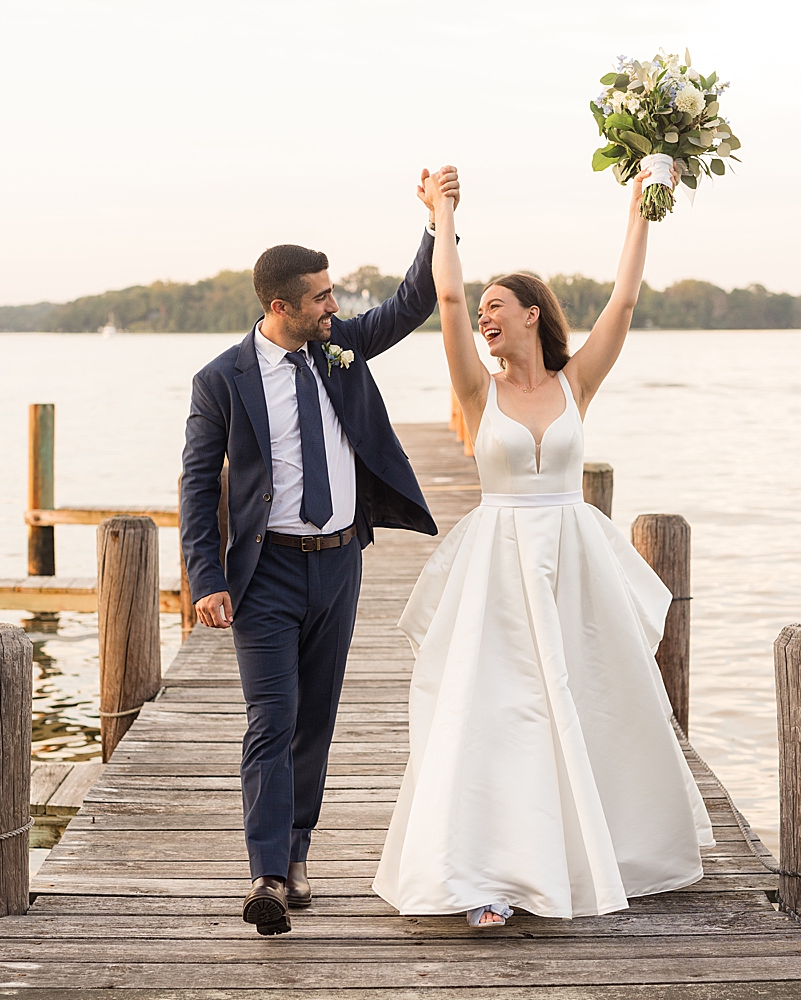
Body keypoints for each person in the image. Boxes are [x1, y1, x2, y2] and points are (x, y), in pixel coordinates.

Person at [372, 166, 715, 928]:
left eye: (501, 308)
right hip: (497, 564)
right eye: (483, 310)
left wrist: (642, 209)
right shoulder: (475, 390)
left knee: (585, 701)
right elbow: (450, 298)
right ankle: (484, 879)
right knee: (494, 711)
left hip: (570, 560)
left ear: (533, 315)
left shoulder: (576, 382)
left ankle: (597, 854)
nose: (485, 317)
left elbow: (623, 300)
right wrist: (443, 216)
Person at [180, 167, 460, 935]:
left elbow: (412, 301)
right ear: (281, 306)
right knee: (272, 716)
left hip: (340, 563)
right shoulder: (221, 382)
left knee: (316, 720)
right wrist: (207, 576)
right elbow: (198, 485)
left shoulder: (342, 348)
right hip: (264, 570)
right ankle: (267, 874)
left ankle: (297, 851)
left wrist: (439, 223)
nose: (334, 306)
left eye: (333, 294)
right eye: (321, 297)